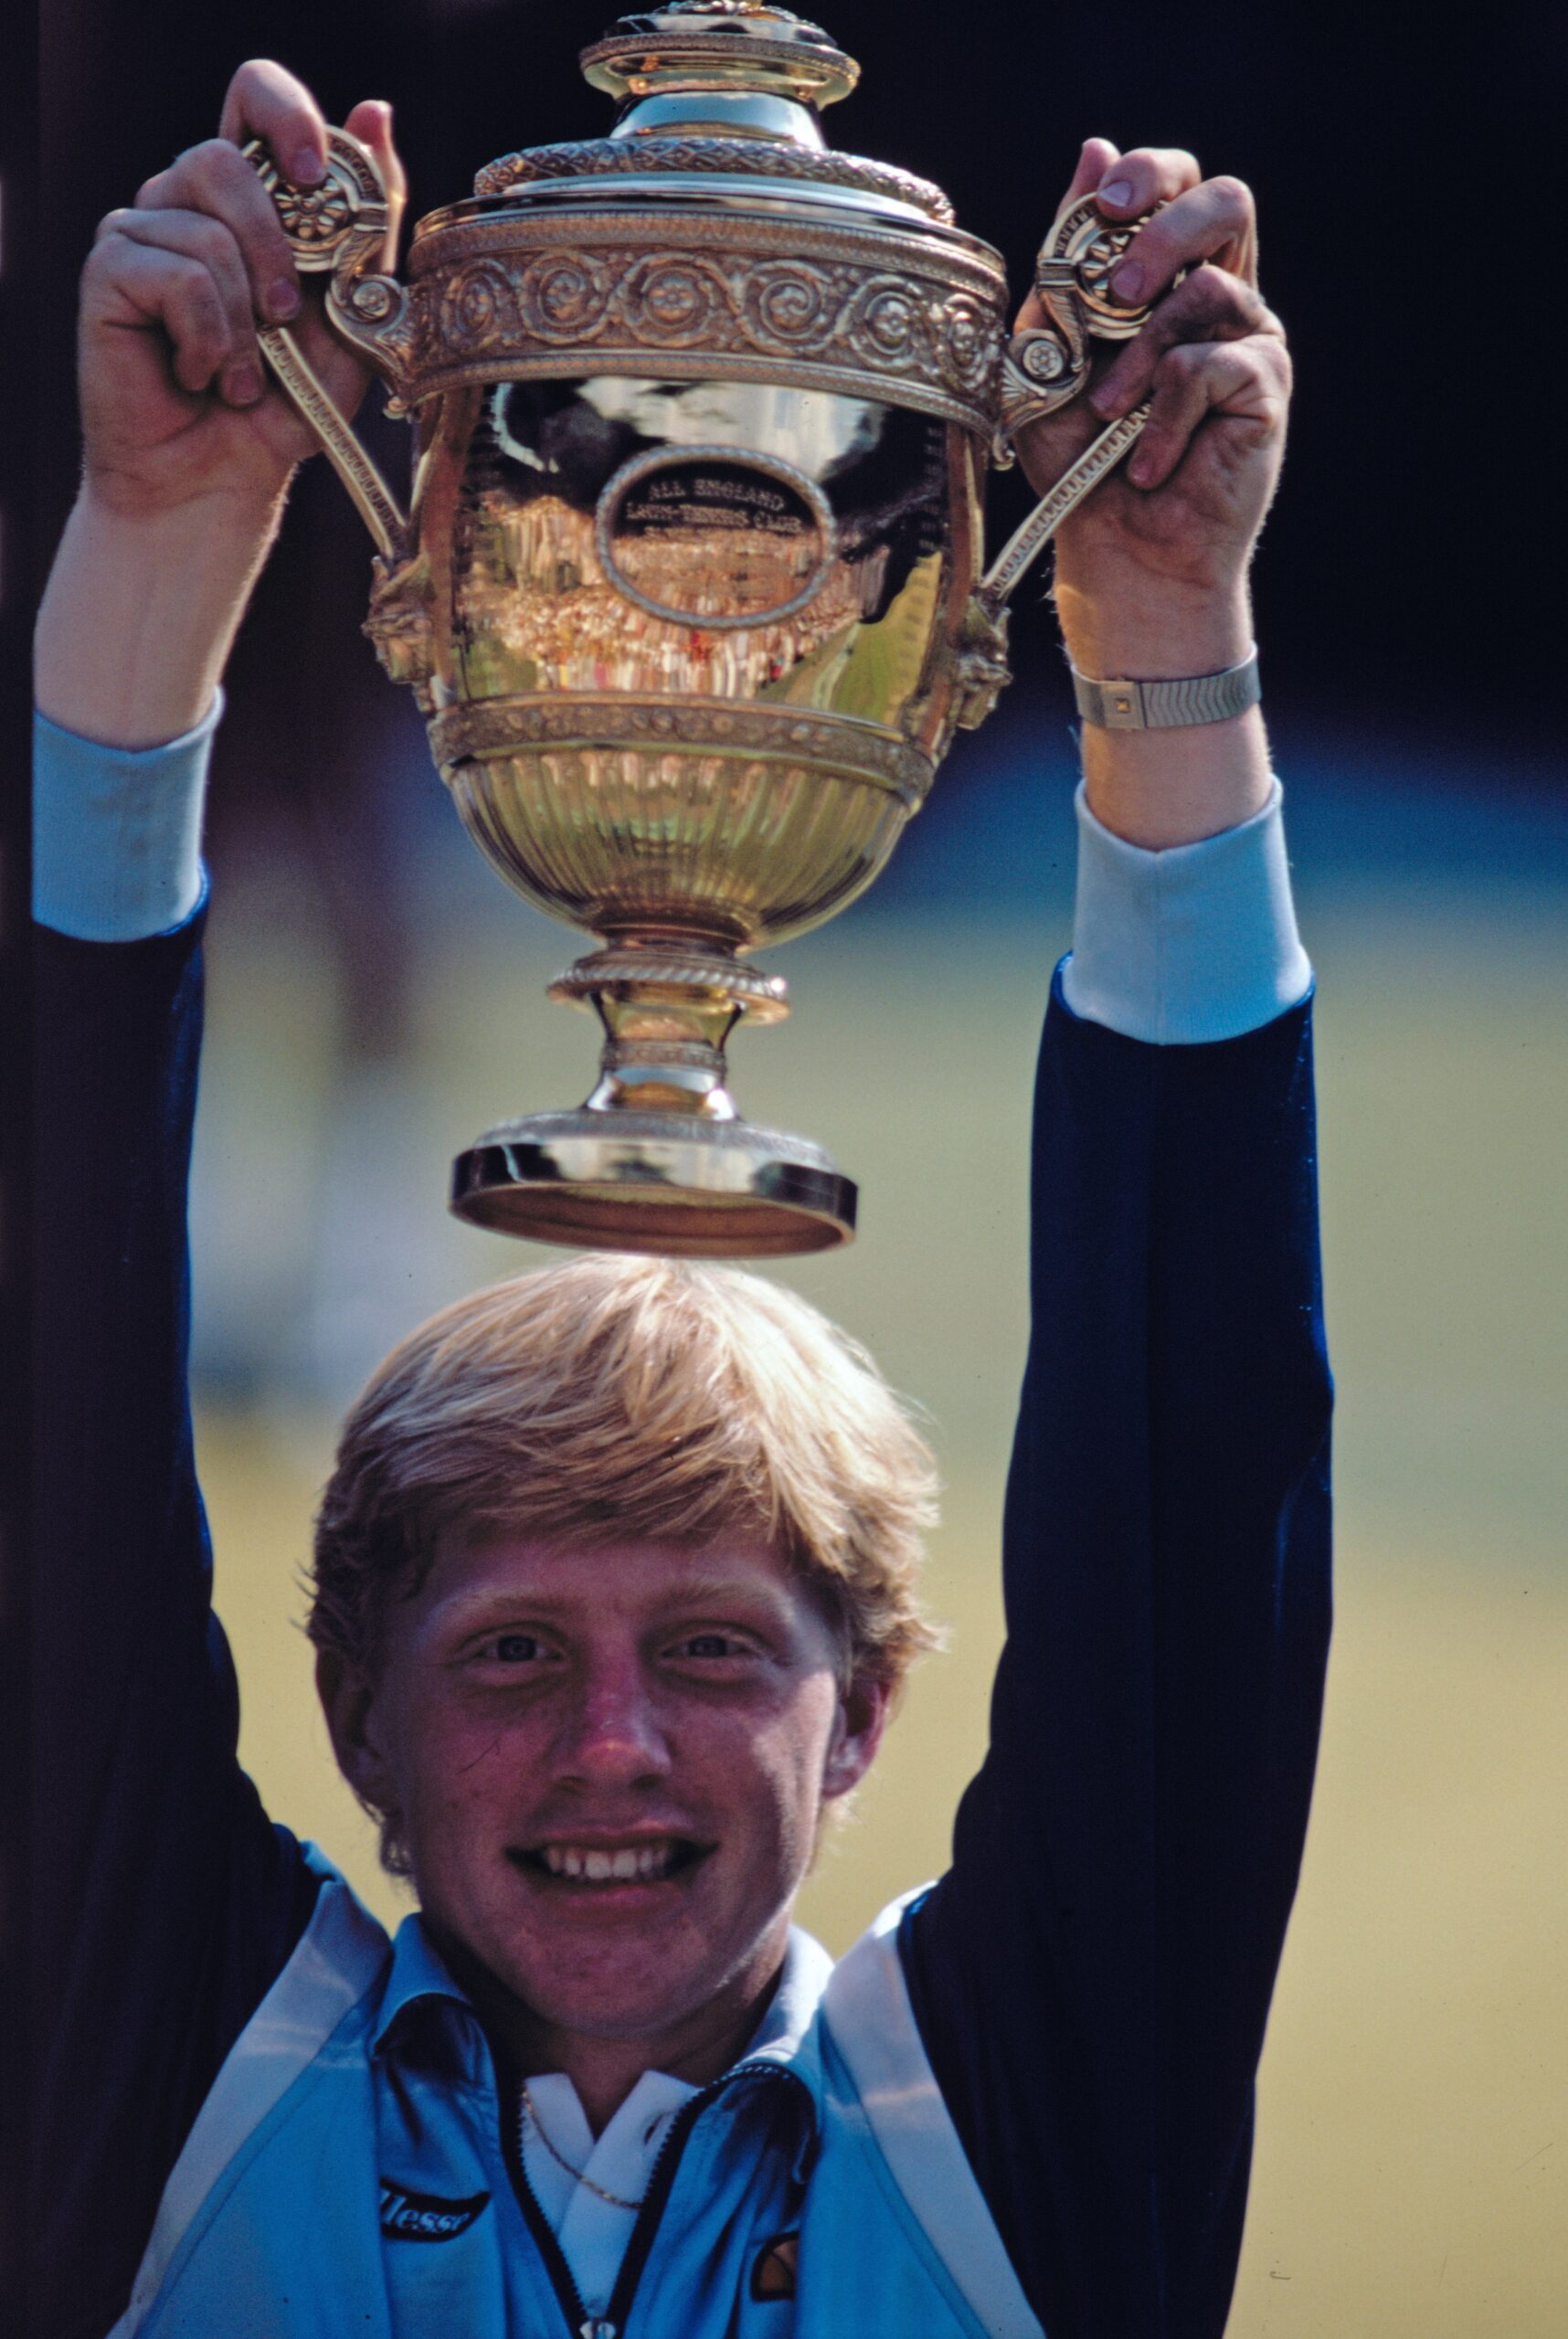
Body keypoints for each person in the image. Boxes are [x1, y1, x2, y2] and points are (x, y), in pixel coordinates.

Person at [29, 57, 1330, 2339]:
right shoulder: (164, 2080)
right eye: (512, 1647)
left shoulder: (1021, 2128)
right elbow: (35, 1390)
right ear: (354, 1716)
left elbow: (1196, 1477)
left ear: (862, 1717)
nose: (611, 1745)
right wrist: (164, 545)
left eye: (717, 1646)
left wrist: (1155, 627)